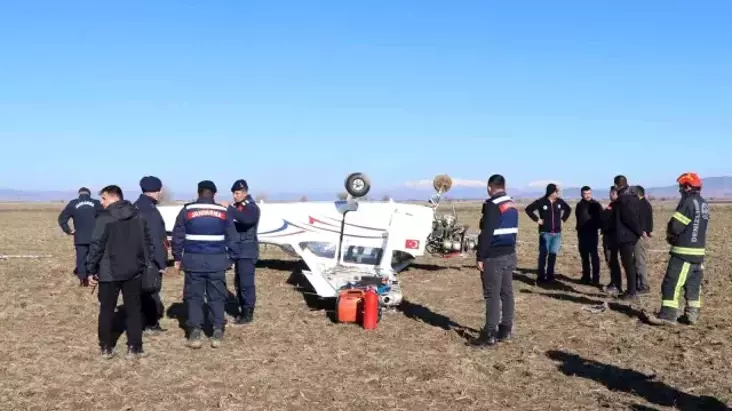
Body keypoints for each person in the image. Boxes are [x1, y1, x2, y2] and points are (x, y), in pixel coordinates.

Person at [85, 185, 154, 359]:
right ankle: (135, 347)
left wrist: (90, 269)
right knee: (133, 309)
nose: (101, 203)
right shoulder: (139, 215)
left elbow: (96, 245)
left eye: (104, 199)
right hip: (134, 270)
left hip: (109, 272)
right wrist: (144, 263)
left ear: (114, 197)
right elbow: (148, 243)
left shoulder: (105, 218)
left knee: (107, 310)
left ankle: (106, 347)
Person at [171, 180, 239, 349]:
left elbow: (177, 236)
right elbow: (233, 237)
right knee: (217, 296)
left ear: (198, 192)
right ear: (214, 194)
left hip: (193, 261)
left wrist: (177, 257)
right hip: (217, 261)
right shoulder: (223, 212)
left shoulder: (187, 210)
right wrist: (230, 258)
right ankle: (217, 331)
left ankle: (195, 332)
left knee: (194, 297)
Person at [647, 173, 709, 326]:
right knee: (693, 285)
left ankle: (667, 316)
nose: (680, 191)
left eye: (681, 187)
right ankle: (692, 315)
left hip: (683, 252)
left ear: (687, 187)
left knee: (671, 283)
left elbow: (675, 226)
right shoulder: (703, 203)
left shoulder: (688, 202)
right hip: (698, 253)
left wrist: (670, 235)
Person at [470, 174, 518, 347]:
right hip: (509, 254)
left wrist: (480, 257)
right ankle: (506, 329)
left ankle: (490, 333)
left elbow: (487, 233)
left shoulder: (492, 205)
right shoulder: (511, 204)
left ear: (490, 187)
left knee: (492, 295)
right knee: (507, 292)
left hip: (494, 257)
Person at [221, 179, 261, 325]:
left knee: (246, 284)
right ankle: (241, 308)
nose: (234, 196)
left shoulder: (251, 208)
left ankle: (248, 312)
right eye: (233, 193)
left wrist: (229, 209)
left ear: (244, 193)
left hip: (247, 251)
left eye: (237, 193)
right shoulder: (236, 208)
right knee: (238, 282)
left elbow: (247, 220)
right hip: (237, 250)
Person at [133, 176, 168, 333]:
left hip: (135, 257)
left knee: (140, 290)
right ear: (157, 190)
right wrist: (161, 262)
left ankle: (141, 319)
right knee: (151, 289)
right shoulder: (150, 211)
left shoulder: (136, 206)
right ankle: (151, 324)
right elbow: (155, 239)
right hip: (149, 259)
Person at [524, 183, 571, 283]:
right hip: (545, 233)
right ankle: (541, 276)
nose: (558, 193)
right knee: (543, 254)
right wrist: (538, 220)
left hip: (557, 234)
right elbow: (528, 209)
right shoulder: (541, 202)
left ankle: (550, 276)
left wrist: (563, 220)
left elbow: (568, 209)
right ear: (551, 192)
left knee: (553, 255)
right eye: (556, 191)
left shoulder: (559, 202)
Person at [57, 187, 102, 282]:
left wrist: (68, 230)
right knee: (95, 256)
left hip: (80, 237)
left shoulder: (73, 203)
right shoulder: (97, 203)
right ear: (89, 194)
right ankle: (93, 276)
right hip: (96, 236)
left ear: (79, 194)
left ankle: (83, 279)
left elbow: (62, 219)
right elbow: (105, 217)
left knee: (81, 258)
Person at [612, 175, 643, 302]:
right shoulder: (633, 198)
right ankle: (631, 290)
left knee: (628, 265)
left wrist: (638, 231)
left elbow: (629, 218)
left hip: (625, 237)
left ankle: (631, 292)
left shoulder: (623, 199)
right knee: (629, 264)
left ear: (616, 185)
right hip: (630, 236)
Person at [574, 186, 603, 285]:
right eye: (585, 194)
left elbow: (601, 219)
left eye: (589, 193)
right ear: (581, 194)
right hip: (582, 234)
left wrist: (596, 227)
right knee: (584, 256)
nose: (587, 195)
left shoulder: (596, 205)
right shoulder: (579, 205)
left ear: (591, 193)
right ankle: (586, 277)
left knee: (594, 256)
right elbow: (578, 218)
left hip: (592, 234)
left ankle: (596, 279)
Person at [601, 186, 623, 294]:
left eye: (612, 193)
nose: (610, 195)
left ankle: (616, 285)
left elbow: (606, 218)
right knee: (611, 261)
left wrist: (604, 212)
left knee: (612, 260)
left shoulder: (616, 205)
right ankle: (613, 282)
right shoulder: (612, 205)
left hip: (612, 237)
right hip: (610, 236)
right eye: (610, 193)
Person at [632, 185, 653, 294]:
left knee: (640, 262)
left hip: (640, 237)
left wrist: (643, 232)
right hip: (640, 235)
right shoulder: (643, 204)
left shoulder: (643, 205)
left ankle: (643, 286)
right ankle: (637, 284)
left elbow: (642, 222)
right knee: (637, 261)